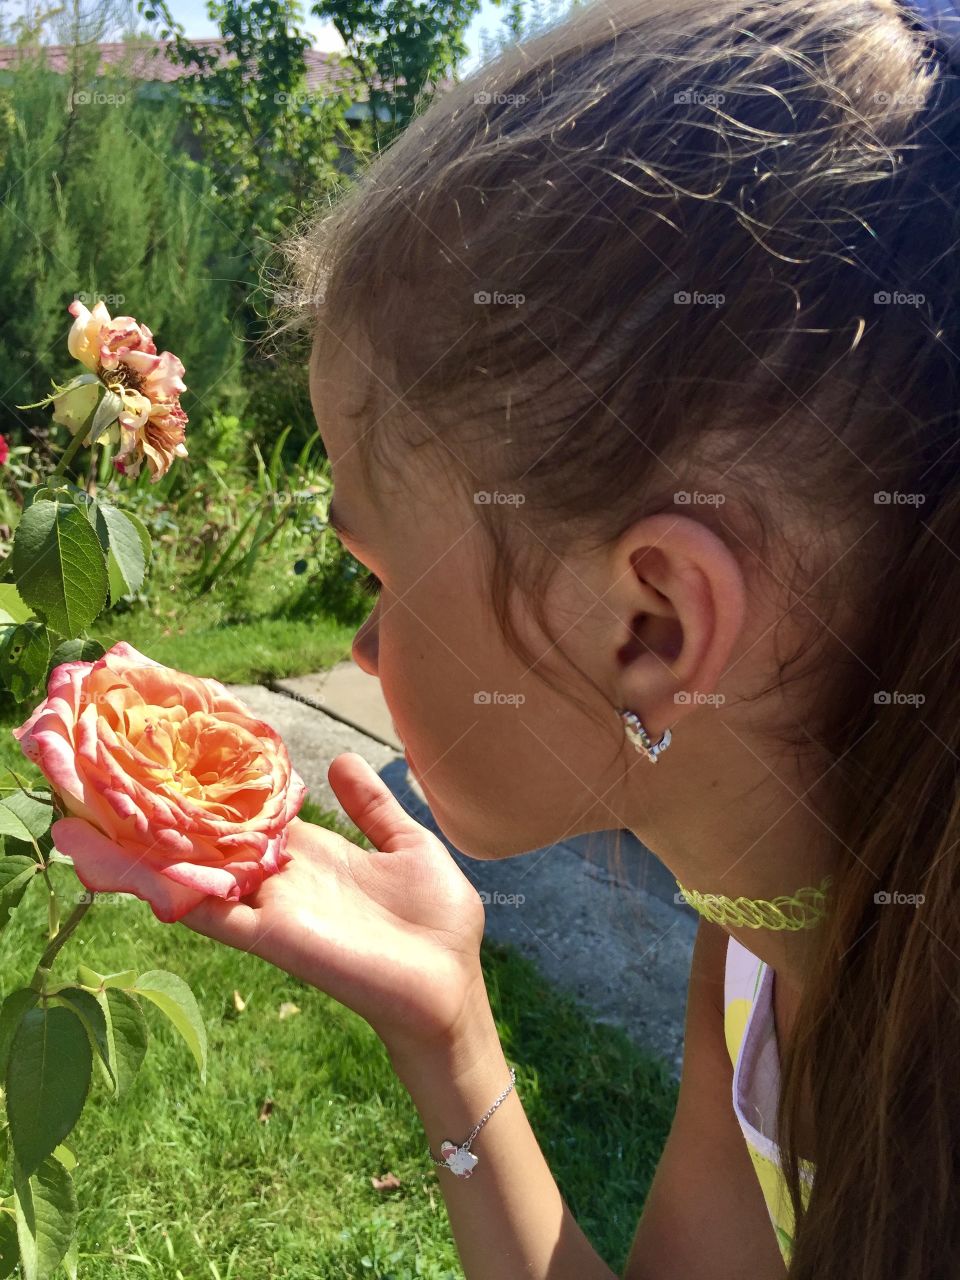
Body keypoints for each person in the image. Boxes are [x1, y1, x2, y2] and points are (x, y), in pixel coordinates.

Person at [180, 0, 960, 1274]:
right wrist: (448, 1027)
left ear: (648, 624)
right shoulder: (751, 954)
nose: (366, 647)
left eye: (375, 568)